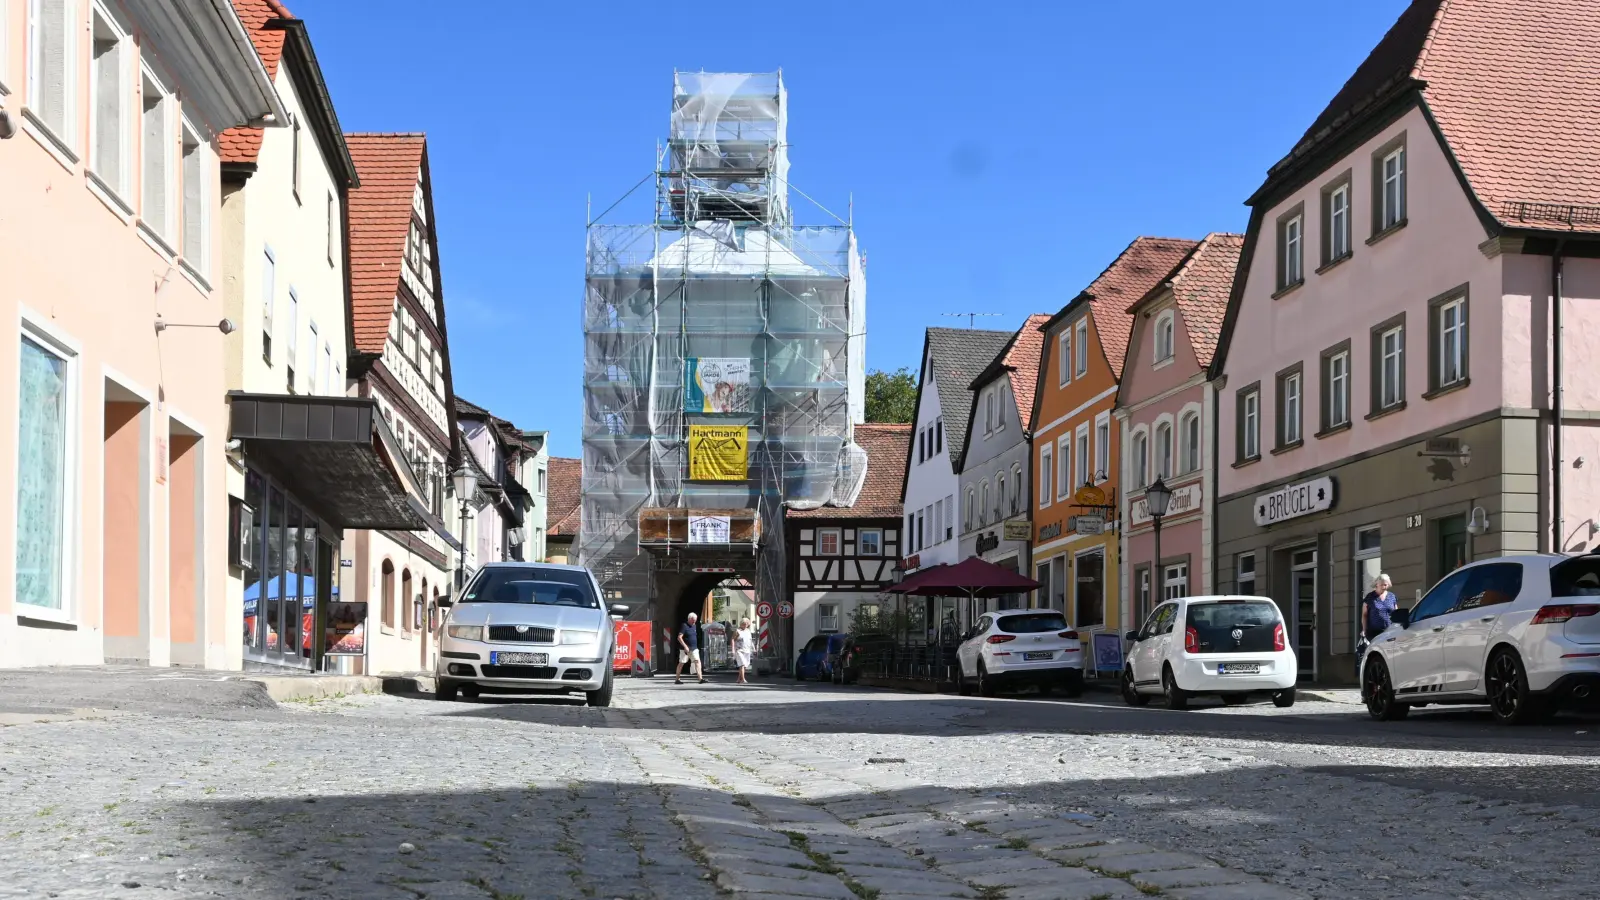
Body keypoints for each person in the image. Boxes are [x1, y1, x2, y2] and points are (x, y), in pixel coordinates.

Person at [1361, 574, 1399, 641]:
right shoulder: (1370, 597)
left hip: (1389, 631)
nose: (1384, 587)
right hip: (1373, 632)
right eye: (1382, 585)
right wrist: (1364, 630)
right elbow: (1364, 615)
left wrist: (1398, 627)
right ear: (1377, 584)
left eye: (1386, 585)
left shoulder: (1392, 596)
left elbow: (1396, 613)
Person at [676, 612, 706, 685]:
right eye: (693, 620)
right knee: (681, 663)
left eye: (695, 620)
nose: (694, 621)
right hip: (685, 649)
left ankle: (700, 679)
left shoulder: (695, 626)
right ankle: (677, 679)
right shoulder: (684, 626)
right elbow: (679, 637)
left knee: (697, 661)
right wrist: (685, 646)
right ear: (689, 619)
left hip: (694, 648)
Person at [733, 618, 755, 685]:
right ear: (741, 624)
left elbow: (750, 641)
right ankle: (743, 679)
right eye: (744, 624)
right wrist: (733, 650)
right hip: (739, 650)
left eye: (746, 624)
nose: (745, 625)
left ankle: (739, 679)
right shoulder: (737, 631)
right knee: (742, 664)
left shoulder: (748, 631)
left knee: (745, 665)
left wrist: (754, 648)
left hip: (747, 650)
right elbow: (733, 639)